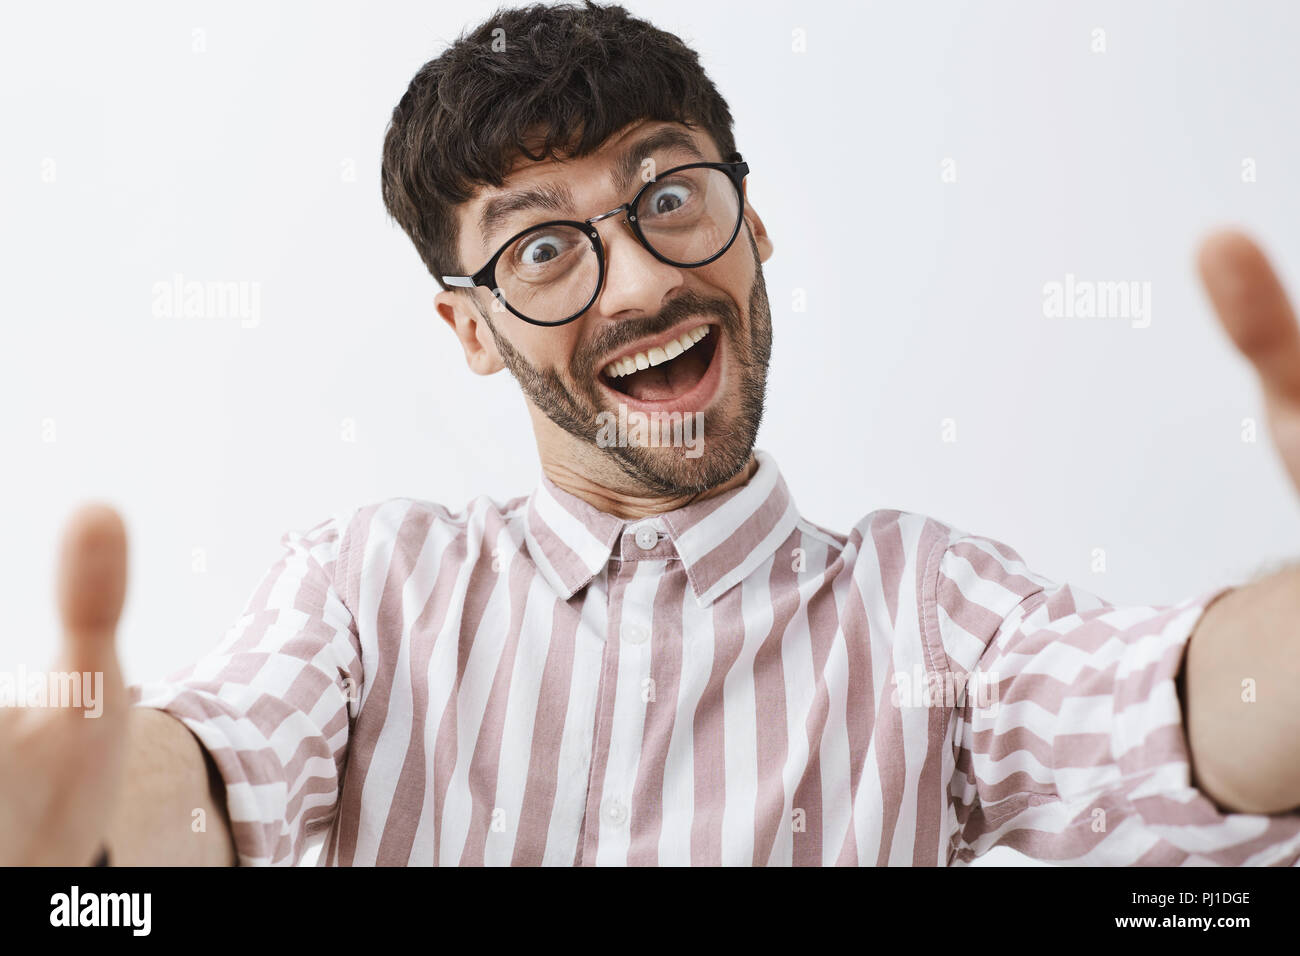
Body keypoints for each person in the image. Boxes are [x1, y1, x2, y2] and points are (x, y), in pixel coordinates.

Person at [8, 0, 1300, 867]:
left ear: (757, 226)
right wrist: (81, 835)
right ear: (472, 330)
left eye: (670, 197)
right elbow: (207, 780)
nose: (636, 285)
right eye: (545, 249)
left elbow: (1179, 718)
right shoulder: (368, 591)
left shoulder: (934, 614)